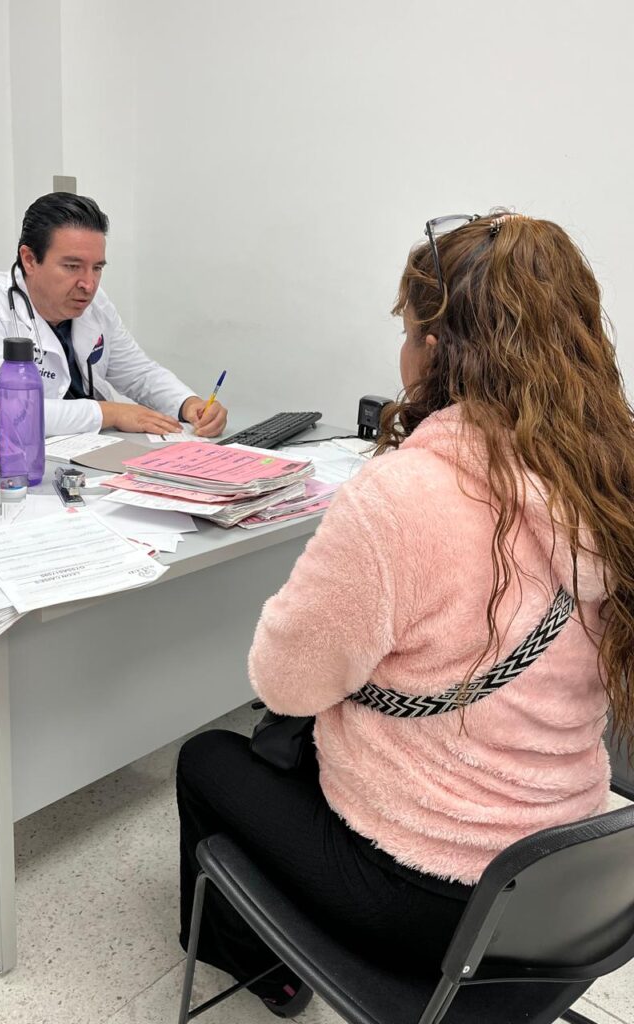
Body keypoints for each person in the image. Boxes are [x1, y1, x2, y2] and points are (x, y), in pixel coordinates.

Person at [176, 211, 634, 1017]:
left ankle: (266, 975)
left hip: (425, 898)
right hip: (562, 888)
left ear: (437, 347)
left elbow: (284, 683)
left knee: (209, 758)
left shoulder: (401, 499)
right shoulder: (609, 477)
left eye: (408, 330)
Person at [0, 193, 228, 438]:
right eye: (72, 266)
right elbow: (5, 411)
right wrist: (111, 413)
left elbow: (139, 373)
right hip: (10, 463)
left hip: (91, 450)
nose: (89, 284)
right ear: (30, 259)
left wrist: (187, 403)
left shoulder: (95, 304)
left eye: (97, 268)